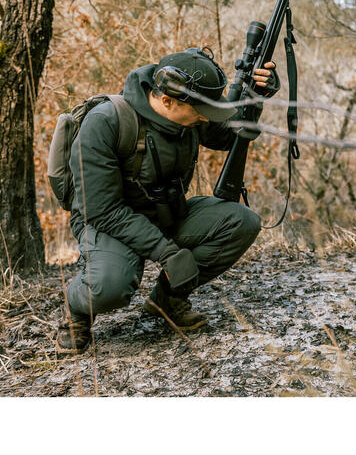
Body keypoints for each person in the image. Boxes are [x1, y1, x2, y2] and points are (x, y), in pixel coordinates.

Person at [55, 47, 278, 353]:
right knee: (111, 287)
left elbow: (228, 136)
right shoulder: (106, 122)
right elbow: (102, 210)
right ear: (166, 100)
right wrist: (167, 252)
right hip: (109, 225)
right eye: (200, 112)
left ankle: (166, 300)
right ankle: (76, 310)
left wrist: (256, 97)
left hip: (167, 214)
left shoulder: (189, 109)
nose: (204, 118)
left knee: (242, 222)